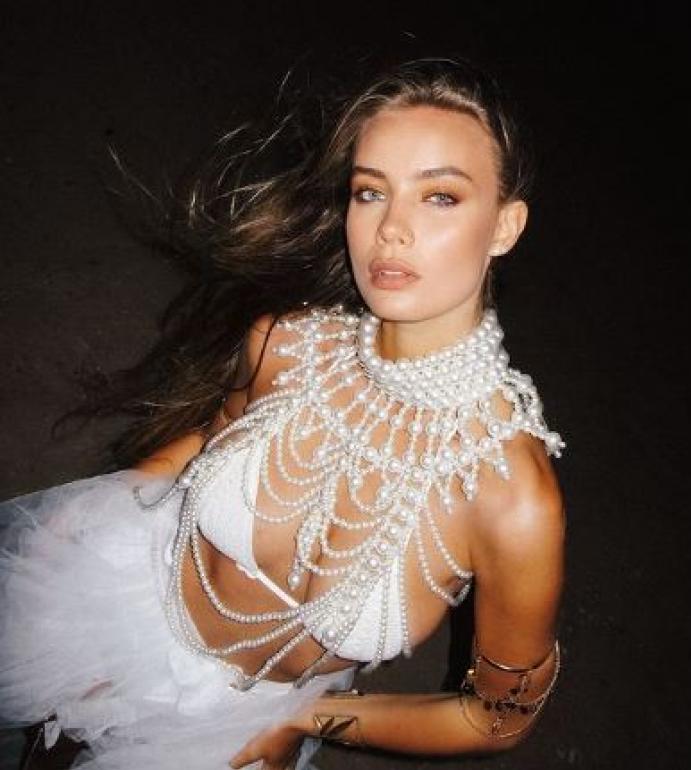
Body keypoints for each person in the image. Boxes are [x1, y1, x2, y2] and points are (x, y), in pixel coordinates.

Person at [0, 58, 565, 770]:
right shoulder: (288, 342)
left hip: (237, 728)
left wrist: (307, 720)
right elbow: (209, 438)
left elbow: (497, 719)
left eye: (440, 197)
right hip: (123, 602)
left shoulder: (512, 500)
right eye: (370, 192)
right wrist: (85, 521)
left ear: (505, 226)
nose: (392, 229)